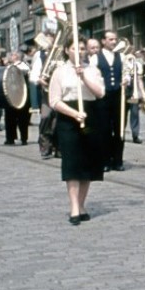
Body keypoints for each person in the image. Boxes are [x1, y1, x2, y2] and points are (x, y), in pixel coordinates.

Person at [49, 36, 106, 225]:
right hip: (69, 117)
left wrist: (84, 77)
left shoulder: (92, 70)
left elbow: (100, 93)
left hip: (91, 115)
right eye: (75, 48)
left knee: (87, 161)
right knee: (72, 162)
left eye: (82, 48)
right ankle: (73, 206)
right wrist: (74, 113)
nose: (79, 52)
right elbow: (54, 101)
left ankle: (82, 204)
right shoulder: (59, 72)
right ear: (67, 50)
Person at [90, 30, 127, 171]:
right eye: (110, 39)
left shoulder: (121, 56)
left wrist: (126, 80)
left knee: (119, 129)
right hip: (102, 98)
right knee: (103, 129)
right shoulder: (95, 58)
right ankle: (105, 161)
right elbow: (93, 76)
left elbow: (126, 72)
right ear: (103, 41)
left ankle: (118, 160)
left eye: (115, 39)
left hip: (118, 96)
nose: (114, 42)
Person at [3, 51, 31, 146]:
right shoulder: (8, 66)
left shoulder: (23, 65)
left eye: (13, 55)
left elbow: (25, 71)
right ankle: (10, 138)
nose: (10, 56)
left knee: (23, 118)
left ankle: (24, 138)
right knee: (9, 117)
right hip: (10, 95)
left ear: (17, 57)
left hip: (22, 95)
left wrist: (13, 66)